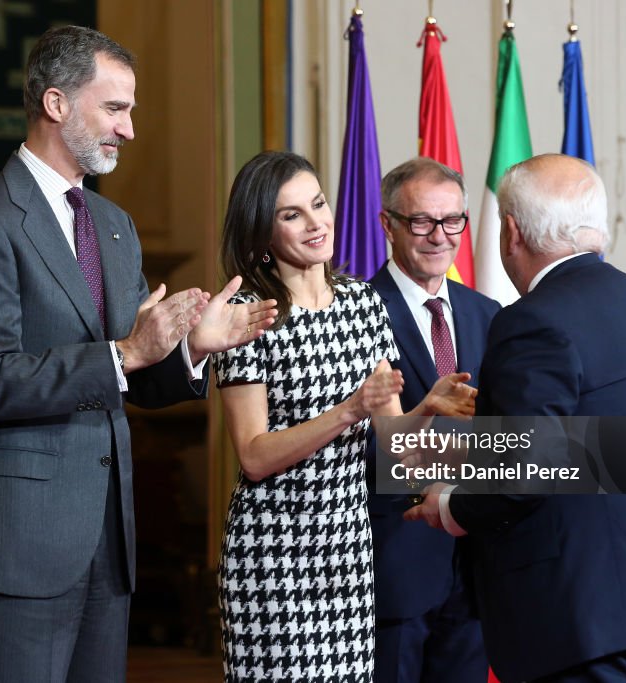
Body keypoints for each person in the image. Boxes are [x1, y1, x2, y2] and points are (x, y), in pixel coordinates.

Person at [0, 26, 276, 683]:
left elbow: (133, 373)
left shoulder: (113, 227)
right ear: (56, 104)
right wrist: (127, 351)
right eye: (115, 109)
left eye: (132, 111)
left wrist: (189, 350)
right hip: (18, 547)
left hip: (107, 545)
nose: (130, 129)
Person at [405, 154, 626, 682]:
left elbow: (523, 471)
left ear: (510, 232)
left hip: (584, 623)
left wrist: (450, 505)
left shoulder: (531, 321)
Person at [214, 150, 477, 682]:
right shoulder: (246, 316)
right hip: (275, 553)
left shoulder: (361, 302)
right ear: (261, 232)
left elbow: (394, 442)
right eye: (292, 215)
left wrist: (426, 407)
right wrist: (349, 409)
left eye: (318, 204)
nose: (316, 224)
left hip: (348, 552)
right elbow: (255, 456)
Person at [367, 158, 498, 683]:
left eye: (452, 221)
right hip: (395, 561)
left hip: (475, 564)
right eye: (422, 221)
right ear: (388, 224)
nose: (439, 236)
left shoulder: (489, 314)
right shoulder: (356, 311)